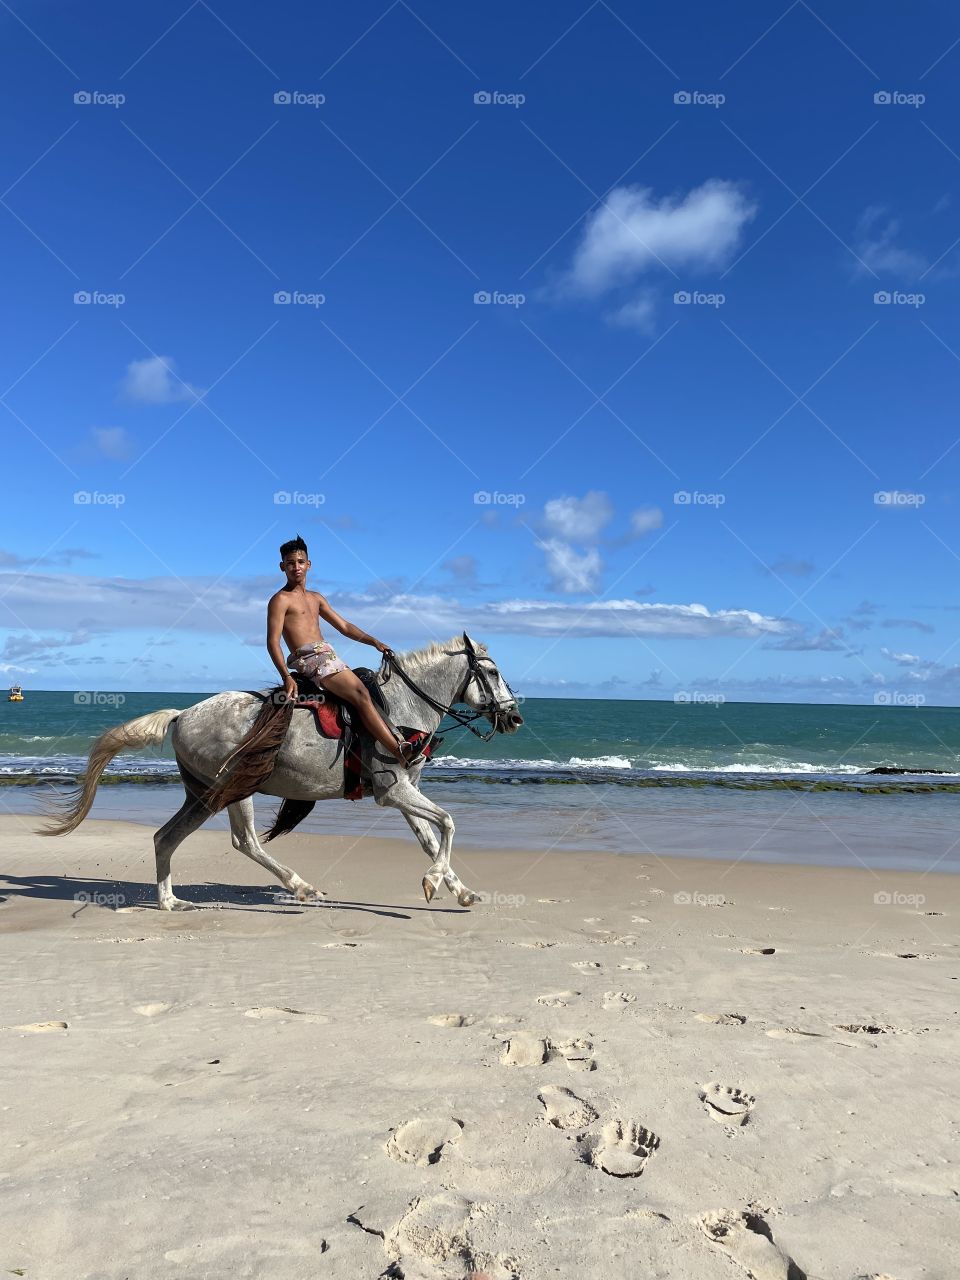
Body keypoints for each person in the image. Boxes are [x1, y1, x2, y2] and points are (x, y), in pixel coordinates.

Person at [266, 535, 422, 767]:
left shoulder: (316, 598)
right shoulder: (280, 599)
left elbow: (345, 627)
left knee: (370, 686)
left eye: (300, 562)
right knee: (360, 693)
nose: (295, 567)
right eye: (290, 563)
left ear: (309, 564)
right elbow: (272, 642)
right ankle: (399, 751)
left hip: (328, 655)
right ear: (282, 567)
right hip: (309, 658)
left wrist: (374, 642)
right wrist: (286, 676)